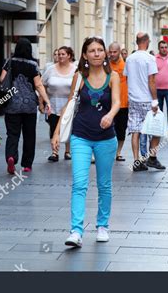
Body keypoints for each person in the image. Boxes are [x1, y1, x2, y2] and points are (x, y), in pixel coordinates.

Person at [51, 36, 120, 247]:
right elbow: (69, 104)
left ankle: (102, 226)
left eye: (100, 50)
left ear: (105, 53)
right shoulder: (79, 77)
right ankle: (76, 231)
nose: (97, 53)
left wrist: (110, 115)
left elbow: (117, 101)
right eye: (92, 50)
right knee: (79, 184)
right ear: (85, 55)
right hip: (80, 136)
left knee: (104, 184)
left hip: (106, 139)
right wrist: (56, 133)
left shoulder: (113, 76)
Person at [0, 38, 51, 173]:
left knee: (12, 134)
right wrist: (46, 100)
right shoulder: (33, 65)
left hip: (12, 105)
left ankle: (11, 156)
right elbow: (38, 85)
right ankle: (27, 164)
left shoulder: (9, 62)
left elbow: (1, 79)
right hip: (29, 107)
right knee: (29, 135)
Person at [124, 32, 165, 171]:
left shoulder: (129, 59)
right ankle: (152, 158)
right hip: (147, 100)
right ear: (147, 41)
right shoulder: (150, 58)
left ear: (137, 42)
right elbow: (151, 81)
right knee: (156, 128)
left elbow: (127, 79)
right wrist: (155, 100)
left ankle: (137, 161)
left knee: (135, 131)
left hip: (134, 100)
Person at [42, 46, 77, 162]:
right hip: (53, 103)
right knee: (53, 126)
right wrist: (42, 102)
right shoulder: (50, 69)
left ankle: (67, 151)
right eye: (59, 54)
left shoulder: (75, 70)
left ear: (69, 56)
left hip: (69, 103)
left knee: (68, 126)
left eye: (63, 54)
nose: (60, 56)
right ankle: (54, 152)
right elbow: (42, 85)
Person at [108, 42, 129, 161]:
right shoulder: (106, 66)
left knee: (121, 129)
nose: (112, 54)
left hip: (123, 103)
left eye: (114, 52)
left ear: (119, 51)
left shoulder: (126, 65)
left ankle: (118, 152)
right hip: (108, 103)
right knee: (107, 128)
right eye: (110, 52)